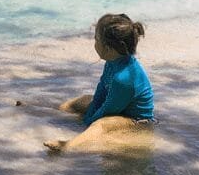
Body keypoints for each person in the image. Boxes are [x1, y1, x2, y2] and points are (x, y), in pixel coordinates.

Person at [43, 12, 155, 154]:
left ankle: (68, 145)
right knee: (83, 100)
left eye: (96, 40)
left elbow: (108, 110)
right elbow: (102, 89)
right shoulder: (112, 61)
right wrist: (90, 109)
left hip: (136, 121)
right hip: (117, 105)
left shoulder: (124, 78)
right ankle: (49, 111)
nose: (94, 43)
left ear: (108, 48)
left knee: (101, 124)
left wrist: (89, 120)